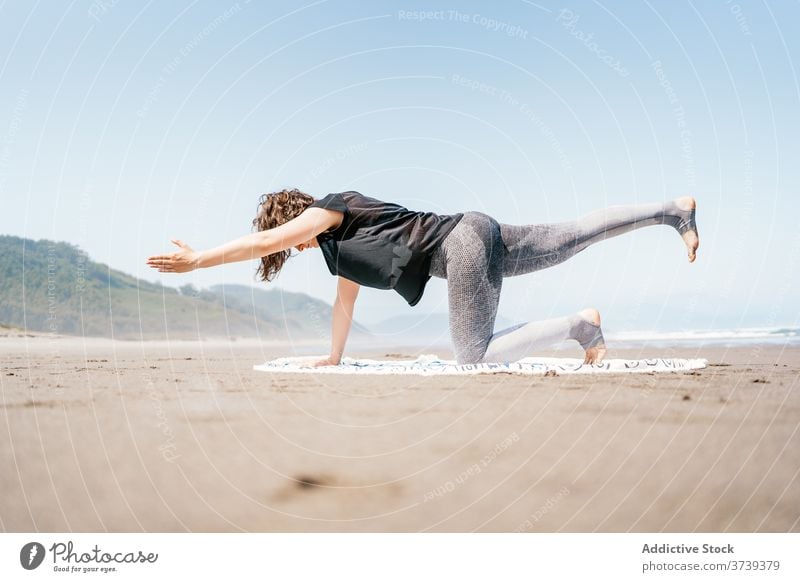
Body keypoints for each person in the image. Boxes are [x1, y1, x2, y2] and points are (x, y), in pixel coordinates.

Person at [147, 189, 698, 367]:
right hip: (473, 231)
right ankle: (672, 211)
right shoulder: (338, 252)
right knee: (571, 237)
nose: (289, 243)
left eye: (288, 234)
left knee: (472, 357)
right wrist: (335, 357)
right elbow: (345, 304)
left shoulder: (329, 208)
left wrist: (199, 260)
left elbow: (265, 241)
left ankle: (580, 326)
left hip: (460, 245)